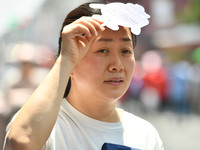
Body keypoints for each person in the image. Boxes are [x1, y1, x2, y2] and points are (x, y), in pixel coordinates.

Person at [3, 2, 164, 150]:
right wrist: (64, 61)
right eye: (103, 50)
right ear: (71, 58)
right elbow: (20, 142)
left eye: (126, 51)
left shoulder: (145, 134)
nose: (118, 65)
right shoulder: (48, 127)